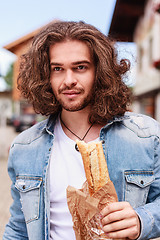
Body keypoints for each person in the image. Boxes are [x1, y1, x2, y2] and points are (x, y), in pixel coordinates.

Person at [3, 21, 160, 240]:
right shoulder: (24, 147)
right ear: (45, 76)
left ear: (100, 71)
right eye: (57, 69)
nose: (69, 81)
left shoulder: (147, 135)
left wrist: (143, 220)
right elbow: (19, 228)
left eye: (80, 67)